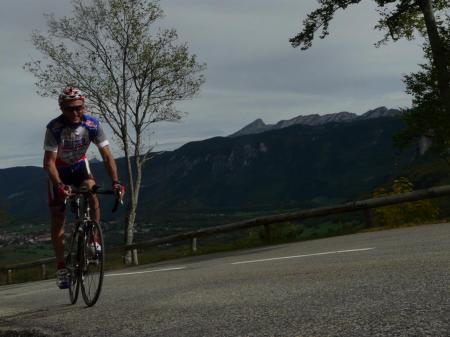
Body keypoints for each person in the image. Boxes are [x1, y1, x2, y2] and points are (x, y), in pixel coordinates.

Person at [43, 86, 125, 289]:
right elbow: (49, 163)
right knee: (57, 217)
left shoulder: (92, 124)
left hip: (80, 166)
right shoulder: (54, 128)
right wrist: (60, 186)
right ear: (61, 108)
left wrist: (116, 181)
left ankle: (93, 240)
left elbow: (106, 155)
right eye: (70, 108)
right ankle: (62, 267)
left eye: (79, 108)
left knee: (92, 191)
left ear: (84, 105)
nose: (75, 112)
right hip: (59, 171)